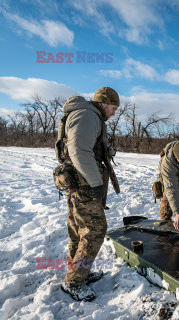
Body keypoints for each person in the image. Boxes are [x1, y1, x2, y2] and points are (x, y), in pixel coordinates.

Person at [56, 87, 120, 301]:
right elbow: (78, 151)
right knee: (94, 230)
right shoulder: (88, 115)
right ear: (104, 103)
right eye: (113, 107)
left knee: (78, 229)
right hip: (84, 183)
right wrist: (95, 184)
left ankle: (78, 271)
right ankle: (74, 281)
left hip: (78, 182)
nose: (114, 112)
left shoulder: (86, 114)